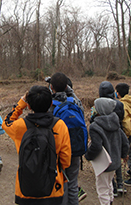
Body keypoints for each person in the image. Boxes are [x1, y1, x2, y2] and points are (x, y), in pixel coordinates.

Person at [2, 85, 71, 205]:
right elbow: (66, 160)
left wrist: (21, 103)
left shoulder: (20, 126)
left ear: (29, 106)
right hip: (53, 187)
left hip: (25, 188)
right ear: (50, 104)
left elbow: (6, 122)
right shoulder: (60, 125)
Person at [48, 72, 85, 205]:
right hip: (75, 148)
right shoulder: (75, 102)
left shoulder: (50, 105)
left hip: (59, 150)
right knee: (73, 183)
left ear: (51, 87)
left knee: (61, 183)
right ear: (67, 87)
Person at [85, 98, 129, 205]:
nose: (93, 108)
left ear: (100, 110)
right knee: (109, 184)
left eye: (95, 107)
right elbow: (125, 142)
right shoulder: (116, 122)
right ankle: (110, 202)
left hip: (103, 163)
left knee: (102, 189)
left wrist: (88, 155)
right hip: (115, 162)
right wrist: (123, 155)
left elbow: (96, 146)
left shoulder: (95, 126)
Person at [91, 81, 126, 196]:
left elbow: (92, 120)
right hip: (117, 131)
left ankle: (113, 187)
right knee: (116, 159)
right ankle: (120, 184)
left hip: (104, 135)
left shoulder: (98, 105)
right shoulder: (118, 104)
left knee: (107, 161)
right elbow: (122, 117)